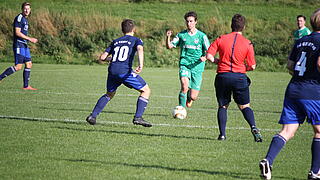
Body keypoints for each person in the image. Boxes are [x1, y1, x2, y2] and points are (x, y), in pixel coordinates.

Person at [259, 9, 320, 180]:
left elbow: (290, 66)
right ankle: (315, 172)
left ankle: (268, 160)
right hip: (313, 91)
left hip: (293, 89)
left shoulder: (301, 41)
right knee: (319, 131)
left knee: (287, 130)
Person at [206, 14, 262, 142]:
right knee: (245, 106)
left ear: (231, 25)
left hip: (222, 76)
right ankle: (253, 127)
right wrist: (242, 68)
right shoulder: (248, 43)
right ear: (244, 27)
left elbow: (209, 56)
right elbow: (252, 66)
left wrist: (219, 62)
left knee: (223, 106)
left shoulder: (221, 38)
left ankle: (222, 135)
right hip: (239, 77)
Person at [86, 19, 152, 127]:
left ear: (122, 30)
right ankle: (138, 117)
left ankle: (92, 116)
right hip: (124, 71)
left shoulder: (115, 41)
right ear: (134, 29)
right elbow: (140, 49)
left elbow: (102, 57)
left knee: (109, 94)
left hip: (112, 70)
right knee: (146, 90)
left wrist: (113, 59)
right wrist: (141, 64)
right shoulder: (136, 40)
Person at [166, 11, 210, 110]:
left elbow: (209, 51)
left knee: (193, 96)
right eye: (187, 21)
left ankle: (189, 99)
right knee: (184, 86)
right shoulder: (181, 35)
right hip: (184, 64)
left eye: (191, 21)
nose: (189, 23)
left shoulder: (202, 36)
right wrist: (168, 37)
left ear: (196, 22)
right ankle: (181, 109)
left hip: (197, 67)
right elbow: (169, 46)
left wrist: (205, 57)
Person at [0, 2, 38, 90]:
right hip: (19, 44)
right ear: (22, 9)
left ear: (30, 10)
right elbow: (17, 32)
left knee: (29, 64)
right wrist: (30, 39)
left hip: (24, 45)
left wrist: (27, 40)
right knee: (18, 67)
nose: (26, 10)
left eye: (28, 9)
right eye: (25, 8)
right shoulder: (19, 18)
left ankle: (26, 86)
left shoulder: (25, 19)